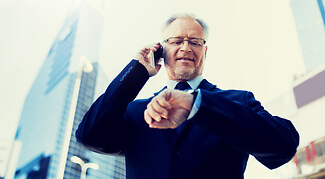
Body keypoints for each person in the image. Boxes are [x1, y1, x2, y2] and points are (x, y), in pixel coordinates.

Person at [76, 14, 299, 179]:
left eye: (195, 42)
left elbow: (284, 145)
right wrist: (137, 71)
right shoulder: (136, 112)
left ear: (205, 52)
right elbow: (89, 135)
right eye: (176, 41)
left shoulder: (238, 102)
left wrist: (197, 105)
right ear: (160, 50)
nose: (186, 47)